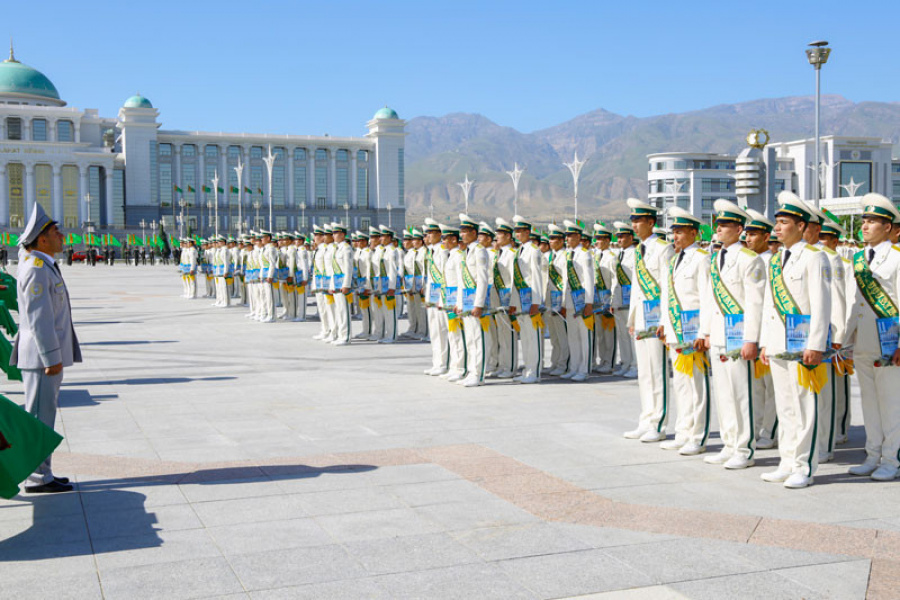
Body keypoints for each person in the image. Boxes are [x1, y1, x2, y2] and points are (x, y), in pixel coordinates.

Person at [759, 192, 831, 489]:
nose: (777, 228)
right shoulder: (776, 259)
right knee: (786, 407)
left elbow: (821, 304)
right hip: (778, 344)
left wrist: (815, 345)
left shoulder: (815, 257)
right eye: (776, 222)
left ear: (801, 226)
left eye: (784, 222)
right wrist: (765, 341)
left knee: (804, 407)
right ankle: (787, 461)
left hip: (802, 347)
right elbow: (768, 304)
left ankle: (804, 466)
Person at [10, 203, 81, 494]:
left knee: (43, 416)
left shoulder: (43, 265)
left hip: (43, 356)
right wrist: (52, 358)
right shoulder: (36, 269)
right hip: (41, 358)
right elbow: (40, 319)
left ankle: (43, 472)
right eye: (55, 232)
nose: (61, 236)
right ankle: (37, 477)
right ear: (41, 239)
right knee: (39, 418)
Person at [698, 200, 765, 467]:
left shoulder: (750, 259)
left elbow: (755, 303)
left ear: (739, 229)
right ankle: (729, 443)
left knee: (742, 394)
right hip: (718, 335)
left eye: (725, 225)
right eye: (718, 224)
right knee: (724, 394)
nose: (719, 229)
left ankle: (744, 449)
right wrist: (705, 332)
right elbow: (709, 299)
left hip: (739, 337)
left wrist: (751, 339)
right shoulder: (716, 258)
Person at [842, 193, 900, 481]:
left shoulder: (898, 258)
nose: (865, 226)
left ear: (888, 227)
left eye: (872, 221)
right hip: (863, 342)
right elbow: (854, 304)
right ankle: (873, 455)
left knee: (891, 404)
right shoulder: (858, 259)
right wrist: (845, 340)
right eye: (864, 220)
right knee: (869, 403)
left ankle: (892, 459)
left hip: (889, 344)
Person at [660, 207, 711, 456]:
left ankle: (697, 436)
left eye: (680, 232)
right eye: (674, 232)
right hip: (675, 329)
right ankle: (682, 432)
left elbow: (706, 297)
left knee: (696, 386)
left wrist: (703, 332)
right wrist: (663, 323)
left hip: (692, 332)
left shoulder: (702, 258)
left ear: (693, 233)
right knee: (680, 385)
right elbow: (667, 295)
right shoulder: (674, 260)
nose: (675, 237)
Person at [625, 198, 674, 441]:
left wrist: (665, 321)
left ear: (651, 222)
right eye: (633, 220)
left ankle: (658, 423)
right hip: (642, 318)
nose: (634, 225)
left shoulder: (663, 249)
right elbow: (637, 288)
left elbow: (667, 287)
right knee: (644, 373)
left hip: (657, 319)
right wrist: (633, 319)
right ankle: (646, 419)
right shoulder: (638, 250)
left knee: (657, 371)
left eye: (639, 221)